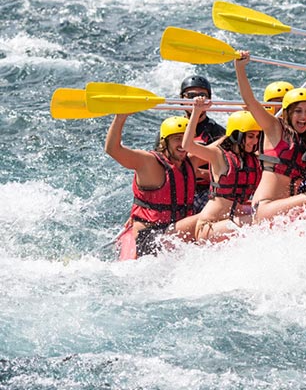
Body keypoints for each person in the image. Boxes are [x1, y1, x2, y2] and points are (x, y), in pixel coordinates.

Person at [232, 52, 306, 223]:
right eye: (298, 111)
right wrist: (240, 67)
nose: (303, 116)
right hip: (266, 208)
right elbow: (250, 101)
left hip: (290, 206)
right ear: (288, 113)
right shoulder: (274, 128)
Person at [104, 114, 196, 258]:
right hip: (149, 235)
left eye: (186, 139)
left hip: (173, 232)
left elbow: (221, 150)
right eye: (177, 139)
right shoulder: (149, 162)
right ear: (164, 143)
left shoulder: (189, 163)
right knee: (204, 219)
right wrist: (120, 117)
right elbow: (113, 149)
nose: (183, 144)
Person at [172, 102, 263, 242]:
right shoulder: (218, 155)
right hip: (209, 227)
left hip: (232, 220)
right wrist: (196, 111)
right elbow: (187, 145)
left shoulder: (254, 158)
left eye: (257, 136)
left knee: (271, 214)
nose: (254, 141)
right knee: (262, 220)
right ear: (237, 135)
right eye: (250, 136)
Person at [179, 75, 225, 213]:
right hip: (178, 188)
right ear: (182, 99)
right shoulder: (170, 129)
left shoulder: (218, 133)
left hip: (207, 191)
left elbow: (226, 170)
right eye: (191, 95)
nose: (196, 100)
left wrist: (199, 173)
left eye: (202, 96)